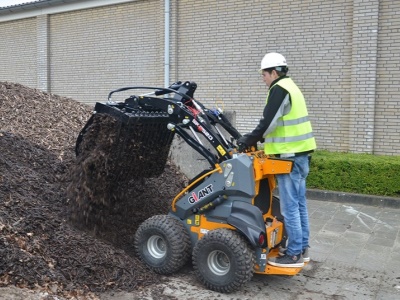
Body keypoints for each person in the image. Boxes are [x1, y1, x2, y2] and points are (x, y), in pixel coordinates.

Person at [237, 52, 317, 268]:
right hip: (301, 154)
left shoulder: (279, 89)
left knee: (290, 206)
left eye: (264, 74)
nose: (263, 78)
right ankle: (303, 248)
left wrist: (249, 139)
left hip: (288, 156)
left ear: (273, 72)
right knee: (299, 204)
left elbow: (268, 122)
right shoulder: (293, 87)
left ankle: (293, 255)